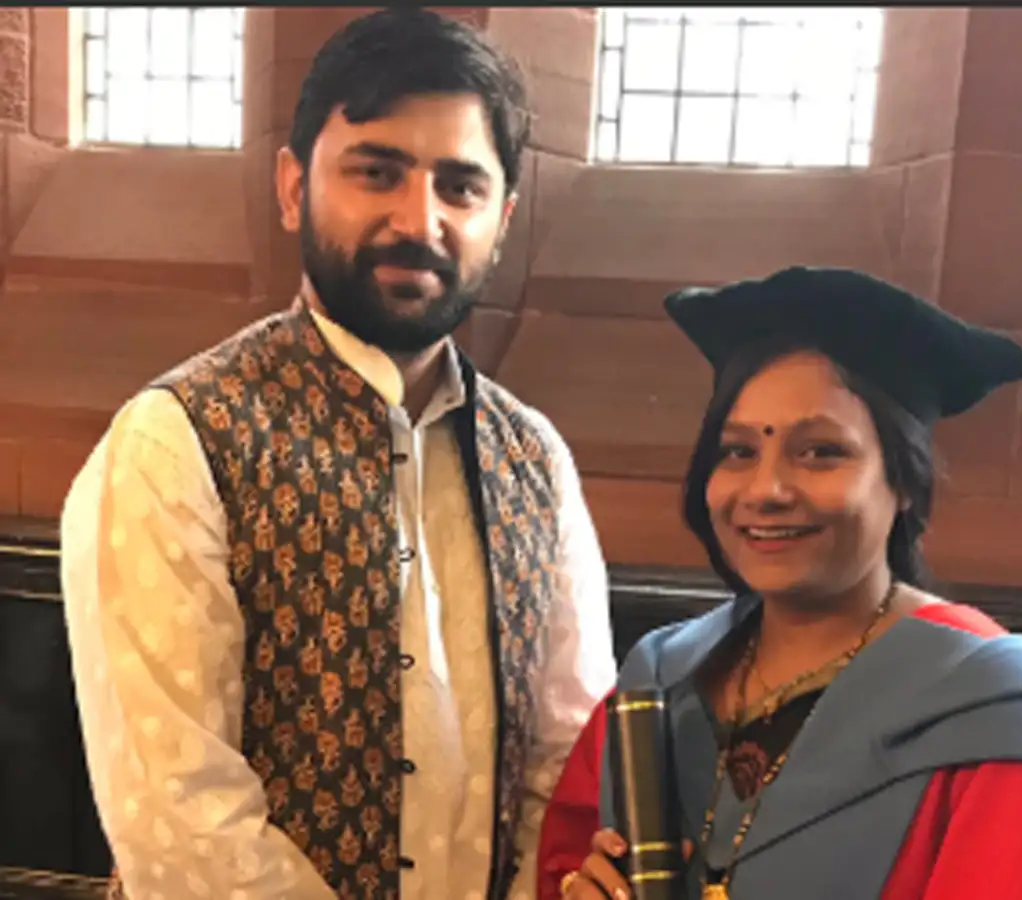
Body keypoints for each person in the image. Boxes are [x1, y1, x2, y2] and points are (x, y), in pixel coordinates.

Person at [59, 9, 615, 900]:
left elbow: (568, 766)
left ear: (503, 218)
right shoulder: (177, 441)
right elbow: (181, 816)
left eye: (460, 186)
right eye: (377, 172)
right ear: (292, 188)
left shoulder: (536, 462)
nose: (419, 219)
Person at [539, 266, 1022, 900]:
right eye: (738, 452)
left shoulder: (1010, 728)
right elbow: (561, 863)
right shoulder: (661, 683)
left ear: (904, 481)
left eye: (821, 452)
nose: (766, 490)